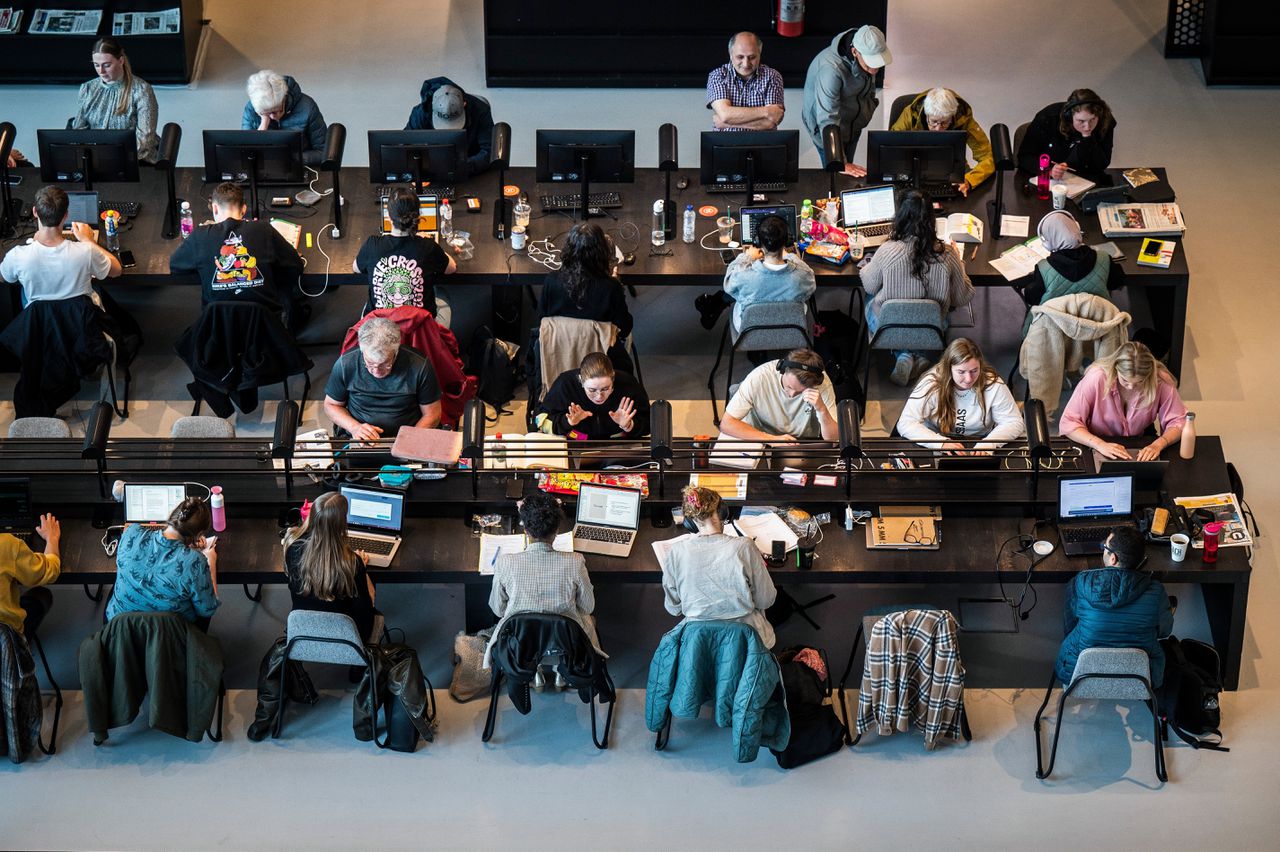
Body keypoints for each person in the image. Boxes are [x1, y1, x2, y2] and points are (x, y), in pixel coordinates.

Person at [486, 492, 603, 688]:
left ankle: (535, 671)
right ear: (556, 530)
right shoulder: (575, 562)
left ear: (526, 531)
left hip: (521, 646)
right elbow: (588, 607)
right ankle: (561, 671)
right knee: (587, 620)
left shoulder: (505, 563)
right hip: (565, 645)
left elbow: (498, 610)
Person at [859, 188, 974, 386]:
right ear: (931, 219)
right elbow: (963, 297)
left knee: (870, 298)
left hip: (888, 328)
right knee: (940, 310)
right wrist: (960, 264)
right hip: (932, 328)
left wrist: (867, 264)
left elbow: (869, 285)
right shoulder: (947, 254)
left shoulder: (887, 251)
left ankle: (903, 354)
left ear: (900, 217)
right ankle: (918, 354)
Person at [658, 485, 777, 648]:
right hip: (746, 641)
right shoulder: (744, 546)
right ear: (722, 512)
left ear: (690, 522)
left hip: (699, 644)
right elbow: (766, 600)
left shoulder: (676, 552)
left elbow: (674, 608)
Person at [1055, 526, 1174, 687]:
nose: (1103, 549)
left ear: (1113, 559)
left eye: (1105, 547)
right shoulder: (1156, 591)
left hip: (1079, 674)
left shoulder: (1081, 582)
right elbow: (1164, 631)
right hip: (1141, 678)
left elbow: (1070, 626)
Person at [169, 181, 303, 319]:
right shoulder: (264, 229)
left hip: (217, 329)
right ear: (244, 209)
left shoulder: (200, 235)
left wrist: (205, 266)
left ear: (215, 208)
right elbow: (296, 265)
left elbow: (175, 265)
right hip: (265, 328)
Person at [1059, 340, 1186, 462]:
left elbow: (1179, 421)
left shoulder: (1160, 381)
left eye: (1139, 382)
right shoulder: (1096, 377)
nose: (1131, 387)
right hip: (1097, 443)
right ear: (1115, 368)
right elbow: (1069, 422)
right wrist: (1099, 444)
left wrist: (1159, 444)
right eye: (1125, 380)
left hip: (1139, 442)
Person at [324, 316, 442, 441]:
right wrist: (354, 427)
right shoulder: (346, 364)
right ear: (362, 351)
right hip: (360, 435)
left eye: (385, 364)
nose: (376, 371)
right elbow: (331, 405)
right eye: (369, 363)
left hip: (409, 434)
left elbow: (432, 414)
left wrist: (409, 440)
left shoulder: (419, 365)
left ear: (396, 351)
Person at [897, 338, 1025, 453]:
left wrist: (989, 443)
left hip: (980, 441)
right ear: (949, 369)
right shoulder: (931, 383)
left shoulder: (993, 384)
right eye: (961, 372)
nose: (969, 379)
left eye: (974, 371)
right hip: (936, 439)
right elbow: (906, 423)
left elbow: (1014, 422)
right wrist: (940, 443)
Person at [108, 497, 219, 628]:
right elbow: (208, 610)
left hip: (119, 629)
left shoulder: (131, 532)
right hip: (166, 637)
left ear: (172, 515)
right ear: (198, 534)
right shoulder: (195, 562)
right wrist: (211, 562)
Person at [538, 222, 634, 372]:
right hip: (601, 354)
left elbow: (543, 320)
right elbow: (625, 327)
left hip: (560, 348)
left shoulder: (552, 280)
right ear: (602, 252)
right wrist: (617, 284)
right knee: (627, 338)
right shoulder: (611, 287)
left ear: (568, 250)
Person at [353, 186, 456, 325]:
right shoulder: (428, 247)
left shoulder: (372, 245)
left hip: (380, 334)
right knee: (442, 294)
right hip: (419, 334)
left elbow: (356, 268)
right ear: (418, 217)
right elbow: (451, 268)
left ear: (389, 217)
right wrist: (430, 243)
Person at [0, 186, 121, 304]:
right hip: (80, 320)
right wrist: (89, 241)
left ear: (35, 212)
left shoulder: (17, 256)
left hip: (42, 321)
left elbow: (3, 277)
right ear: (66, 215)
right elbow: (117, 270)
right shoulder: (86, 251)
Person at [282, 491, 378, 641]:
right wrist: (362, 569)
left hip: (303, 635)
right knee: (370, 593)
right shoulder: (352, 563)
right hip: (349, 640)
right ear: (342, 524)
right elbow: (365, 611)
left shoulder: (293, 549)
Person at [694, 214, 815, 331]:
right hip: (791, 330)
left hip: (750, 331)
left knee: (741, 291)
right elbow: (810, 288)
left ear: (758, 242)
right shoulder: (803, 276)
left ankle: (714, 305)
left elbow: (728, 285)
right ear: (786, 242)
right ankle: (715, 304)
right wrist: (790, 255)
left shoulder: (743, 277)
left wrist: (746, 257)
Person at [801, 24, 892, 177]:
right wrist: (840, 162)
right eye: (871, 63)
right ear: (855, 52)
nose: (875, 70)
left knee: (849, 172)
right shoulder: (831, 69)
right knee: (837, 175)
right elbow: (827, 118)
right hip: (827, 128)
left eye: (878, 63)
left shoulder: (868, 50)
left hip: (852, 124)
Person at [1015, 209, 1124, 330]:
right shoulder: (1104, 259)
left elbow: (1032, 298)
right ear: (1077, 230)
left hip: (1054, 330)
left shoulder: (1044, 268)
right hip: (1097, 329)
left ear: (1047, 243)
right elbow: (1117, 282)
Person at [69, 37, 160, 164]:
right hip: (97, 160)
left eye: (107, 65)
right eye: (96, 65)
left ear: (121, 60)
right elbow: (79, 130)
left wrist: (112, 159)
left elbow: (145, 140)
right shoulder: (88, 88)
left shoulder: (141, 90)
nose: (101, 71)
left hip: (135, 159)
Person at [721, 348, 839, 443]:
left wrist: (822, 410)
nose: (792, 395)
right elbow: (727, 424)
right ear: (782, 370)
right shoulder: (759, 377)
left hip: (801, 442)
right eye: (789, 387)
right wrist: (772, 439)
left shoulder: (822, 385)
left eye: (800, 392)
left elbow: (833, 438)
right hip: (760, 437)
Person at [889, 87, 993, 195]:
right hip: (914, 169)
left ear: (952, 116)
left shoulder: (963, 118)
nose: (938, 129)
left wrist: (970, 180)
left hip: (953, 170)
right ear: (926, 113)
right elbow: (890, 146)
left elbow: (988, 155)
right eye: (934, 122)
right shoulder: (910, 114)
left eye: (944, 123)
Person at [535, 351, 650, 440]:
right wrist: (568, 422)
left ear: (613, 378)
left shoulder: (628, 384)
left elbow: (650, 424)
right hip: (576, 442)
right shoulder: (565, 384)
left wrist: (629, 425)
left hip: (617, 444)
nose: (599, 396)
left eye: (605, 388)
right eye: (592, 390)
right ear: (581, 380)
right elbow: (540, 421)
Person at [404, 77, 496, 176]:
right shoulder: (420, 114)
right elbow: (405, 145)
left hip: (469, 166)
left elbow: (490, 150)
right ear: (432, 105)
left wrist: (465, 166)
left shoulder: (480, 111)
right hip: (430, 168)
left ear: (464, 104)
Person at [1017, 88, 1116, 179]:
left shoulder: (1105, 121)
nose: (1087, 127)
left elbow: (1102, 164)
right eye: (1081, 121)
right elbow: (1025, 157)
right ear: (1069, 116)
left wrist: (1088, 139)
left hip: (1083, 179)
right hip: (1046, 180)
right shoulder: (1047, 118)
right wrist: (1049, 170)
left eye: (1092, 119)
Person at [241, 70, 327, 164]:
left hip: (301, 167)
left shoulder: (307, 107)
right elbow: (247, 154)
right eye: (266, 113)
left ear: (284, 98)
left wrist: (292, 159)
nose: (272, 117)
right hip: (264, 170)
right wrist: (263, 125)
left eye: (275, 111)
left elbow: (324, 152)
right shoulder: (251, 109)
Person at [705, 32, 785, 131]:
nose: (746, 64)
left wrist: (728, 124)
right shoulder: (717, 76)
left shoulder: (772, 77)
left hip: (762, 144)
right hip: (725, 144)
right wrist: (766, 111)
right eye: (740, 57)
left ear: (759, 54)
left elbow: (770, 123)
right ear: (731, 54)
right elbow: (725, 114)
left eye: (752, 57)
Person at [0, 514, 61, 639]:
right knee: (42, 594)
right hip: (8, 646)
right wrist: (52, 538)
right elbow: (50, 570)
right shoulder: (5, 544)